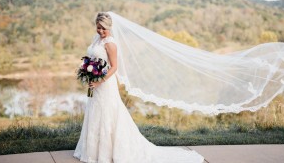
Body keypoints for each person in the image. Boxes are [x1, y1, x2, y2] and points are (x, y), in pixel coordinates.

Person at [73, 12, 205, 163]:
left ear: (109, 27)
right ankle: (92, 151)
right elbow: (92, 59)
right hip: (95, 83)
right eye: (98, 28)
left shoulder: (110, 43)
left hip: (105, 84)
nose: (101, 31)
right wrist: (88, 71)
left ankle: (108, 153)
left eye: (104, 28)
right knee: (95, 112)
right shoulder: (96, 40)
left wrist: (98, 81)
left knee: (108, 114)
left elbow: (114, 67)